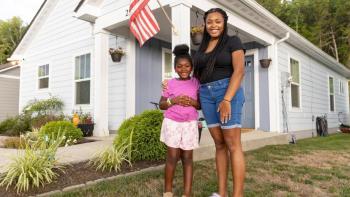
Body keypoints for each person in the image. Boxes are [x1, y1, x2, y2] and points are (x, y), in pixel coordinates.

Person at [193, 8, 246, 197]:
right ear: (205, 25)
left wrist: (226, 99)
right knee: (219, 144)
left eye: (218, 21)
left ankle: (237, 195)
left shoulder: (233, 42)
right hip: (206, 95)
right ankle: (222, 193)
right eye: (209, 22)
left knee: (233, 144)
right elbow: (197, 76)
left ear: (224, 23)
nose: (213, 25)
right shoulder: (201, 48)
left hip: (227, 92)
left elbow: (239, 71)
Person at [159, 44, 201, 197]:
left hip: (189, 124)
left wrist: (192, 102)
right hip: (172, 123)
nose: (183, 69)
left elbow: (200, 104)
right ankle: (168, 191)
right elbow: (161, 105)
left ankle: (187, 193)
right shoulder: (169, 83)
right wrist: (174, 100)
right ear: (175, 68)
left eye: (187, 66)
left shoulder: (196, 83)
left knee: (188, 158)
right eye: (180, 66)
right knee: (172, 157)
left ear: (191, 67)